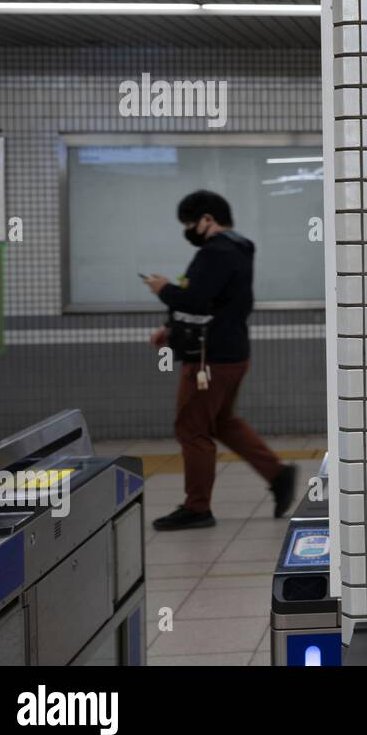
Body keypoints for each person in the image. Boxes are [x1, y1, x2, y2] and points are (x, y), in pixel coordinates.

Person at [142, 190, 297, 531]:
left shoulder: (216, 253)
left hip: (207, 360)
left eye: (190, 223)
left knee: (191, 429)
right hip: (232, 353)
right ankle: (278, 473)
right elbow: (216, 304)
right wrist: (170, 329)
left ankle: (197, 507)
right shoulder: (239, 248)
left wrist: (163, 289)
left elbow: (196, 301)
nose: (188, 230)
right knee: (223, 422)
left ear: (208, 220)